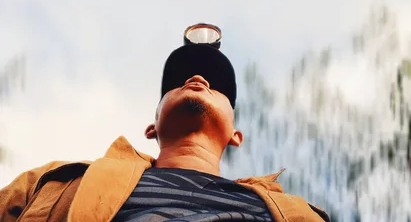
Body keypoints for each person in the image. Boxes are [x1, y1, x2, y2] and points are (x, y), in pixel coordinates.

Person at [0, 28, 330, 221]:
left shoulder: (296, 213)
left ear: (236, 136)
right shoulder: (53, 182)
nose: (198, 79)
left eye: (218, 87)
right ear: (152, 128)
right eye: (178, 81)